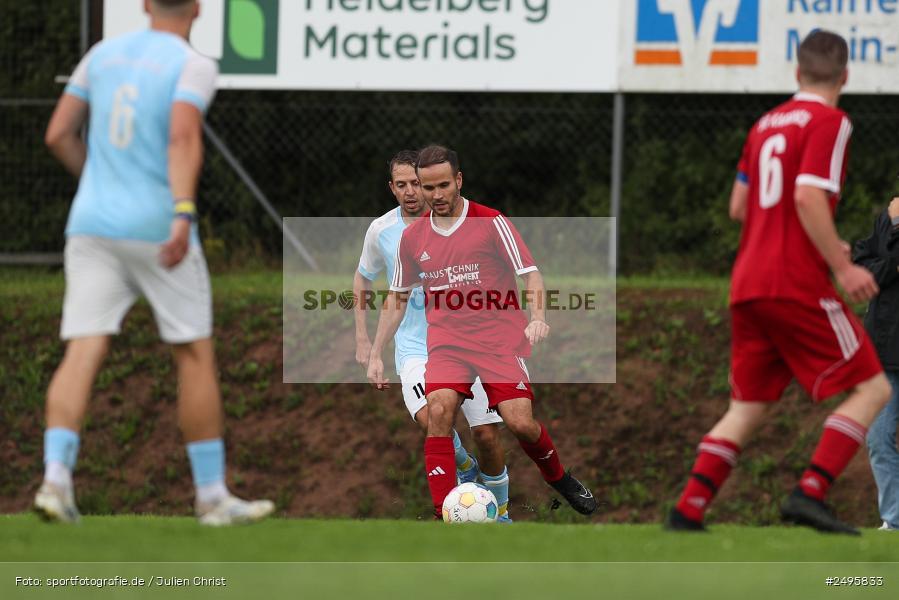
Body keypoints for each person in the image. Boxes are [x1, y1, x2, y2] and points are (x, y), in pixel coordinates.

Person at [35, 0, 273, 526]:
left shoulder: (101, 54)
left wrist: (98, 187)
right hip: (158, 225)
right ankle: (211, 496)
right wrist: (183, 213)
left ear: (143, 5)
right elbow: (183, 136)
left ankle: (55, 480)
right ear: (199, 8)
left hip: (91, 224)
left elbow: (58, 135)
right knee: (192, 354)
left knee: (83, 350)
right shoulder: (193, 63)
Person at [666, 30, 890, 535]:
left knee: (748, 406)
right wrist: (841, 264)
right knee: (872, 388)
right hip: (795, 281)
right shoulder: (831, 121)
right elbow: (809, 196)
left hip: (747, 283)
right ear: (845, 76)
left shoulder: (765, 124)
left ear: (796, 73)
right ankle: (809, 492)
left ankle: (688, 510)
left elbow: (738, 207)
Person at [367, 145, 597, 520]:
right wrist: (376, 351)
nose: (436, 195)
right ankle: (444, 514)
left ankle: (559, 478)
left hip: (498, 341)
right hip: (447, 345)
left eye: (443, 185)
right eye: (428, 188)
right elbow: (397, 296)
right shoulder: (413, 239)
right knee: (438, 412)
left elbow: (530, 273)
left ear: (458, 180)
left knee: (520, 423)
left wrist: (537, 316)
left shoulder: (490, 222)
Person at [354, 150, 513, 521]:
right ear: (391, 188)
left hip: (466, 344)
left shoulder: (454, 225)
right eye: (402, 185)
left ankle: (501, 512)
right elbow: (364, 277)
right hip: (414, 347)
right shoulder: (382, 231)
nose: (411, 192)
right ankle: (462, 469)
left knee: (488, 435)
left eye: (416, 184)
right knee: (432, 419)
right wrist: (368, 344)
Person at [852, 194, 899, 531]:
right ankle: (895, 521)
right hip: (884, 351)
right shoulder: (887, 218)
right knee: (878, 437)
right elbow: (862, 269)